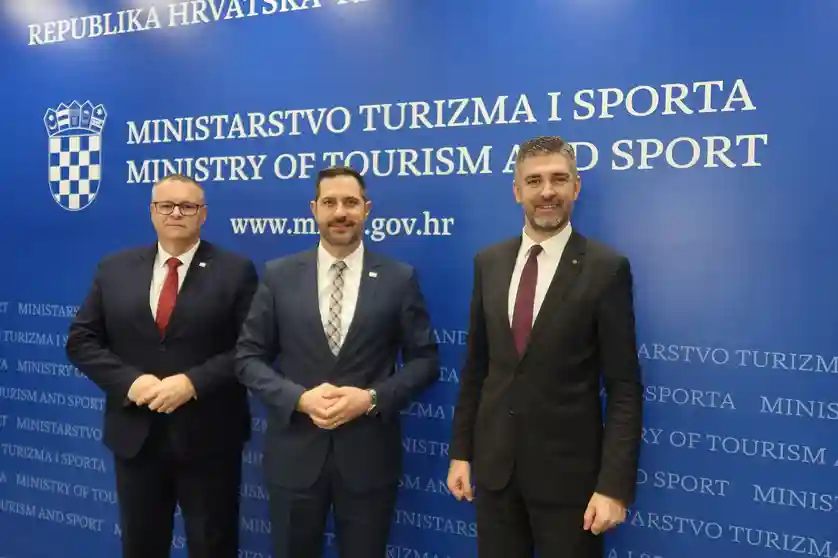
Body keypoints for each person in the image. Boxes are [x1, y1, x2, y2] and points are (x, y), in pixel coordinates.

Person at [447, 136, 644, 558]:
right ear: (517, 191)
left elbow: (624, 388)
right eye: (534, 181)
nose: (547, 191)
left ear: (576, 186)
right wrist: (461, 453)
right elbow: (477, 368)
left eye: (559, 179)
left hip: (571, 484)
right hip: (496, 475)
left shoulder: (606, 268)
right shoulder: (489, 262)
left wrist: (613, 487)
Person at [235, 165, 439, 558]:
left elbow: (425, 361)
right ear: (314, 209)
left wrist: (371, 399)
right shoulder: (278, 276)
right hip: (294, 456)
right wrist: (298, 399)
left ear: (367, 209)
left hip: (369, 458)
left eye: (350, 202)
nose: (340, 212)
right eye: (330, 203)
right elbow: (248, 358)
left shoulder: (399, 278)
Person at [66, 174, 259, 558]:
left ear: (203, 214)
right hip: (136, 437)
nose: (176, 213)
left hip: (210, 438)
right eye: (166, 205)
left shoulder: (235, 271)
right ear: (152, 212)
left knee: (213, 546)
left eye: (187, 206)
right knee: (141, 545)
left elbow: (251, 348)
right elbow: (81, 340)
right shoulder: (114, 268)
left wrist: (192, 383)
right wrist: (131, 382)